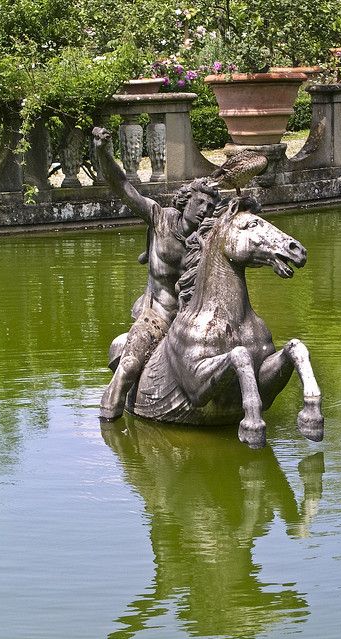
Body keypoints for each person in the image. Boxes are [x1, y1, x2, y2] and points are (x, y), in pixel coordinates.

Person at [92, 127, 220, 420]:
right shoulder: (159, 218)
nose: (204, 210)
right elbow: (122, 185)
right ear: (186, 200)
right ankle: (110, 417)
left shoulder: (208, 238)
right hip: (158, 315)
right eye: (200, 203)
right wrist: (103, 152)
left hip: (193, 320)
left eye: (210, 207)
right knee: (129, 367)